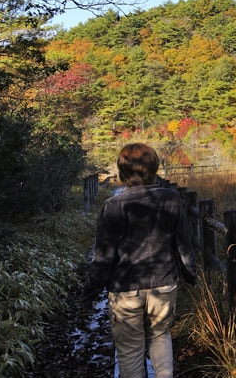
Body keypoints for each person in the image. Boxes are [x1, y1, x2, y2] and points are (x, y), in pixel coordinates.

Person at [81, 143, 197, 378]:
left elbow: (103, 258)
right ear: (153, 168)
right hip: (164, 284)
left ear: (122, 171)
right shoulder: (171, 198)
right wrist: (189, 274)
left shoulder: (112, 206)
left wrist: (89, 294)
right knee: (160, 336)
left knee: (130, 350)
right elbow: (184, 243)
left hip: (125, 290)